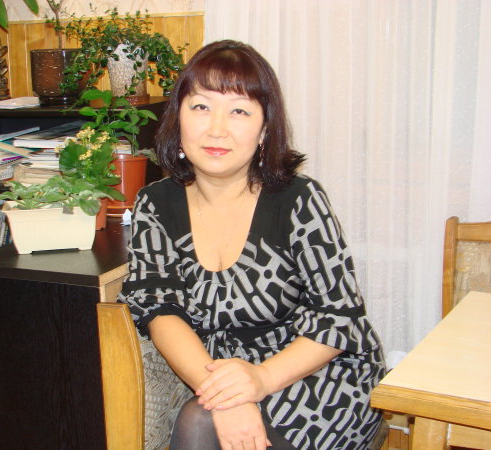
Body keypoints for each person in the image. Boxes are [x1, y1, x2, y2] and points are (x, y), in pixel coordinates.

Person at [118, 39, 386, 450]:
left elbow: (338, 317)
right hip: (219, 372)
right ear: (178, 118)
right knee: (202, 419)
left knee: (201, 422)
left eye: (239, 111)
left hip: (314, 369)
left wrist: (260, 380)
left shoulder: (299, 199)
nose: (217, 128)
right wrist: (225, 395)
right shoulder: (155, 204)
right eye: (201, 106)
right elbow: (159, 311)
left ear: (263, 130)